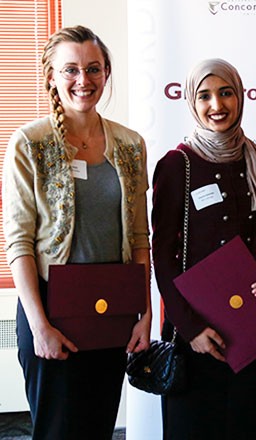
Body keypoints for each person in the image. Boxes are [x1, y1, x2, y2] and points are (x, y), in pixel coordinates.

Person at [2, 25, 152, 439]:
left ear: (106, 73)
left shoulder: (130, 144)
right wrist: (40, 327)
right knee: (58, 431)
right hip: (53, 309)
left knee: (97, 427)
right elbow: (19, 243)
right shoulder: (29, 143)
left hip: (112, 308)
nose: (82, 81)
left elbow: (140, 237)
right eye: (70, 70)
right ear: (50, 75)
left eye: (93, 69)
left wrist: (144, 314)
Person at [151, 58, 256, 439]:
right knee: (192, 428)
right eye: (205, 95)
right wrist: (190, 328)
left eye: (226, 93)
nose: (217, 105)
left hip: (247, 323)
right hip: (194, 328)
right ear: (192, 103)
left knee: (242, 426)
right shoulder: (177, 165)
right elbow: (163, 255)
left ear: (240, 96)